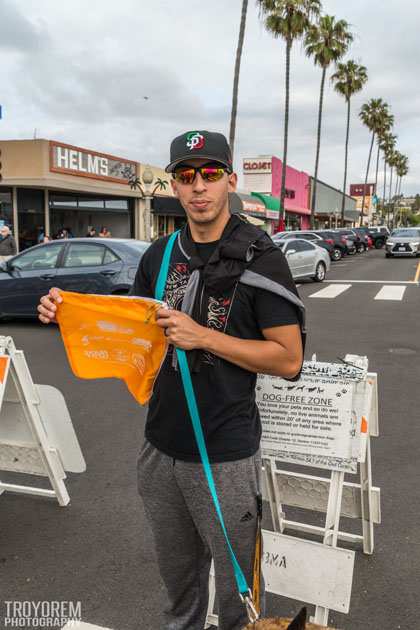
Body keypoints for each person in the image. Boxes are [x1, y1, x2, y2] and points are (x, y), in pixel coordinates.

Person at [37, 130, 305, 630]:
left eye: (208, 174)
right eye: (185, 176)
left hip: (224, 453)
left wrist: (204, 337)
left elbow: (288, 359)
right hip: (159, 447)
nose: (198, 187)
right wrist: (67, 313)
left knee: (236, 597)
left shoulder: (262, 258)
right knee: (179, 591)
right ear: (174, 186)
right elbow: (134, 330)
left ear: (230, 179)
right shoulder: (160, 255)